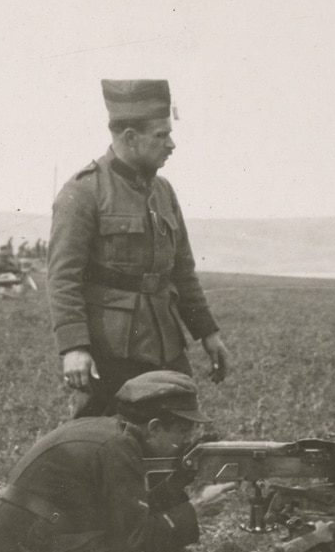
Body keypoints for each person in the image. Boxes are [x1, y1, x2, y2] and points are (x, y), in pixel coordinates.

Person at [0, 371, 234, 552]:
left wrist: (175, 483)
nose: (185, 442)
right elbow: (131, 540)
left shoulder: (109, 432)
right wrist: (196, 507)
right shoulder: (118, 448)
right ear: (154, 428)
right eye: (182, 434)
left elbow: (124, 518)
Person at [48, 79, 230, 417]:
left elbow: (183, 272)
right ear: (130, 137)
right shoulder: (83, 193)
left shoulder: (164, 192)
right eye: (161, 135)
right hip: (111, 352)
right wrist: (74, 347)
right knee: (102, 444)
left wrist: (208, 333)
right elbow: (63, 279)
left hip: (166, 344)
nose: (172, 144)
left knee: (177, 434)